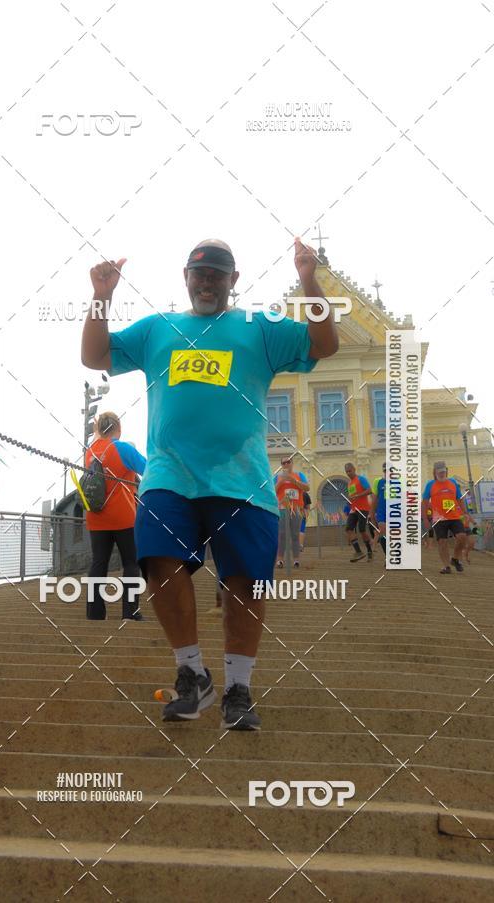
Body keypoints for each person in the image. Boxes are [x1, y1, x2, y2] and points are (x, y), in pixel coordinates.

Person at [81, 238, 338, 730]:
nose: (207, 281)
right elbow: (95, 356)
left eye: (217, 273)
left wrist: (309, 281)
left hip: (241, 481)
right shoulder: (160, 328)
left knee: (245, 585)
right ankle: (191, 674)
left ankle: (238, 688)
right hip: (169, 476)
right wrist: (100, 295)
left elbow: (324, 344)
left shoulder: (259, 328)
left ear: (233, 281)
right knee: (157, 562)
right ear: (185, 277)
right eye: (199, 273)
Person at [84, 411, 147, 620]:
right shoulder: (122, 448)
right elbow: (148, 468)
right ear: (118, 427)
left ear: (99, 429)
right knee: (130, 562)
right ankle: (130, 612)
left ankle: (94, 613)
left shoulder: (90, 451)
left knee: (98, 562)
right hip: (123, 515)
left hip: (96, 516)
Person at [421, 461, 469, 574]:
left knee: (462, 537)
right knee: (442, 542)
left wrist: (465, 513)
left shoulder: (452, 482)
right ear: (435, 472)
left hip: (454, 516)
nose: (442, 474)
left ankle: (455, 559)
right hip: (439, 519)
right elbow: (424, 502)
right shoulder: (430, 484)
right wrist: (425, 518)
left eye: (443, 471)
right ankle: (446, 566)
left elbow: (459, 499)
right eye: (440, 472)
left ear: (446, 470)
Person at [274, 458, 309, 569]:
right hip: (282, 508)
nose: (286, 464)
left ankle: (296, 560)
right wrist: (281, 481)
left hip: (297, 508)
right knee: (282, 534)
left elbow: (307, 488)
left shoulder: (299, 475)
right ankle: (280, 560)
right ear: (281, 465)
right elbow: (272, 491)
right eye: (283, 463)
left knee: (295, 534)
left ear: (292, 463)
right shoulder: (277, 477)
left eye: (288, 462)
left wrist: (293, 480)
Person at [344, 463, 373, 561]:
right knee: (348, 529)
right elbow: (352, 496)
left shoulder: (361, 479)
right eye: (347, 472)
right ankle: (358, 552)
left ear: (354, 469)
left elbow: (369, 490)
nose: (348, 473)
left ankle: (369, 550)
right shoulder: (349, 483)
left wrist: (358, 496)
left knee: (362, 530)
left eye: (350, 471)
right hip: (353, 509)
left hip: (363, 508)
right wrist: (349, 500)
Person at [370, 462, 387, 557]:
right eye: (385, 470)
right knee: (383, 531)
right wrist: (372, 513)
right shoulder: (377, 481)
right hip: (381, 512)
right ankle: (387, 557)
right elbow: (374, 498)